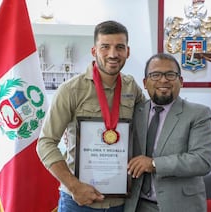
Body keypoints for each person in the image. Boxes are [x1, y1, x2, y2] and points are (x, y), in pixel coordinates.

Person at [36, 20, 145, 212]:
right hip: (78, 202)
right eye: (105, 47)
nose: (113, 54)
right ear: (94, 51)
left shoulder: (132, 88)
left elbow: (147, 127)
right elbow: (45, 143)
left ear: (127, 51)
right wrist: (74, 186)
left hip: (120, 203)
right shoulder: (70, 90)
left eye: (119, 47)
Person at [124, 53, 211, 212]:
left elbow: (202, 161)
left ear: (181, 81)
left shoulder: (198, 113)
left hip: (181, 206)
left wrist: (153, 164)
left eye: (170, 74)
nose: (163, 80)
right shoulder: (133, 113)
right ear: (145, 83)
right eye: (155, 75)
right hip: (138, 206)